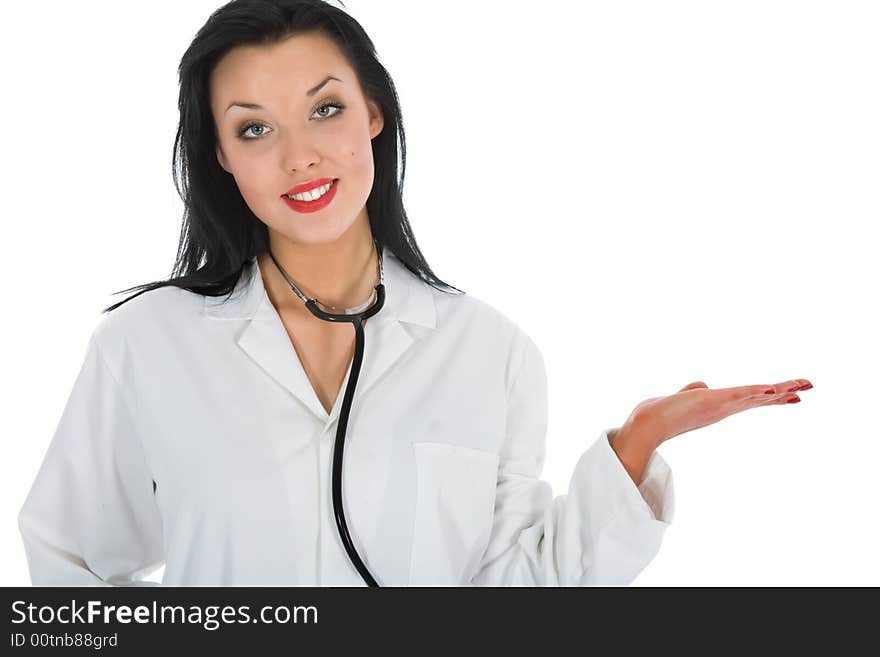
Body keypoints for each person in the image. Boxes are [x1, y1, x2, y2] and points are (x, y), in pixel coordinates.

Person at [17, 0, 811, 587]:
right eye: (254, 128)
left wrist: (633, 449)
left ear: (374, 114)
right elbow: (67, 563)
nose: (301, 156)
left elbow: (513, 589)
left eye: (325, 109)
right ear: (221, 154)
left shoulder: (490, 350)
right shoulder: (145, 343)